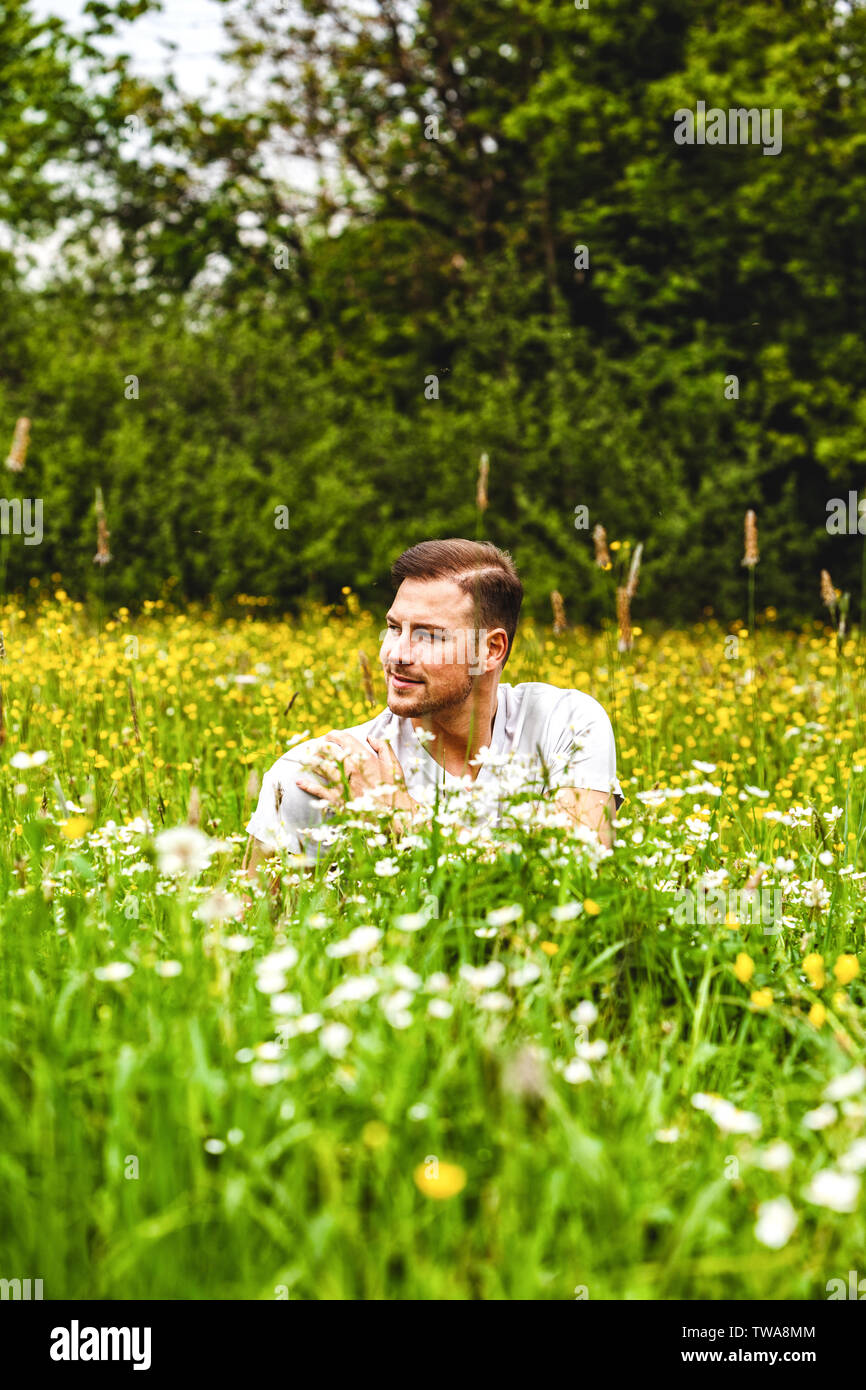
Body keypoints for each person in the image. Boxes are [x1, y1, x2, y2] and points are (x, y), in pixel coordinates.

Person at [244, 538, 623, 882]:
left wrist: (400, 815)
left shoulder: (565, 723)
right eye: (394, 628)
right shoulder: (322, 775)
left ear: (491, 650)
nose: (396, 654)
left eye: (428, 635)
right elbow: (255, 927)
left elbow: (578, 872)